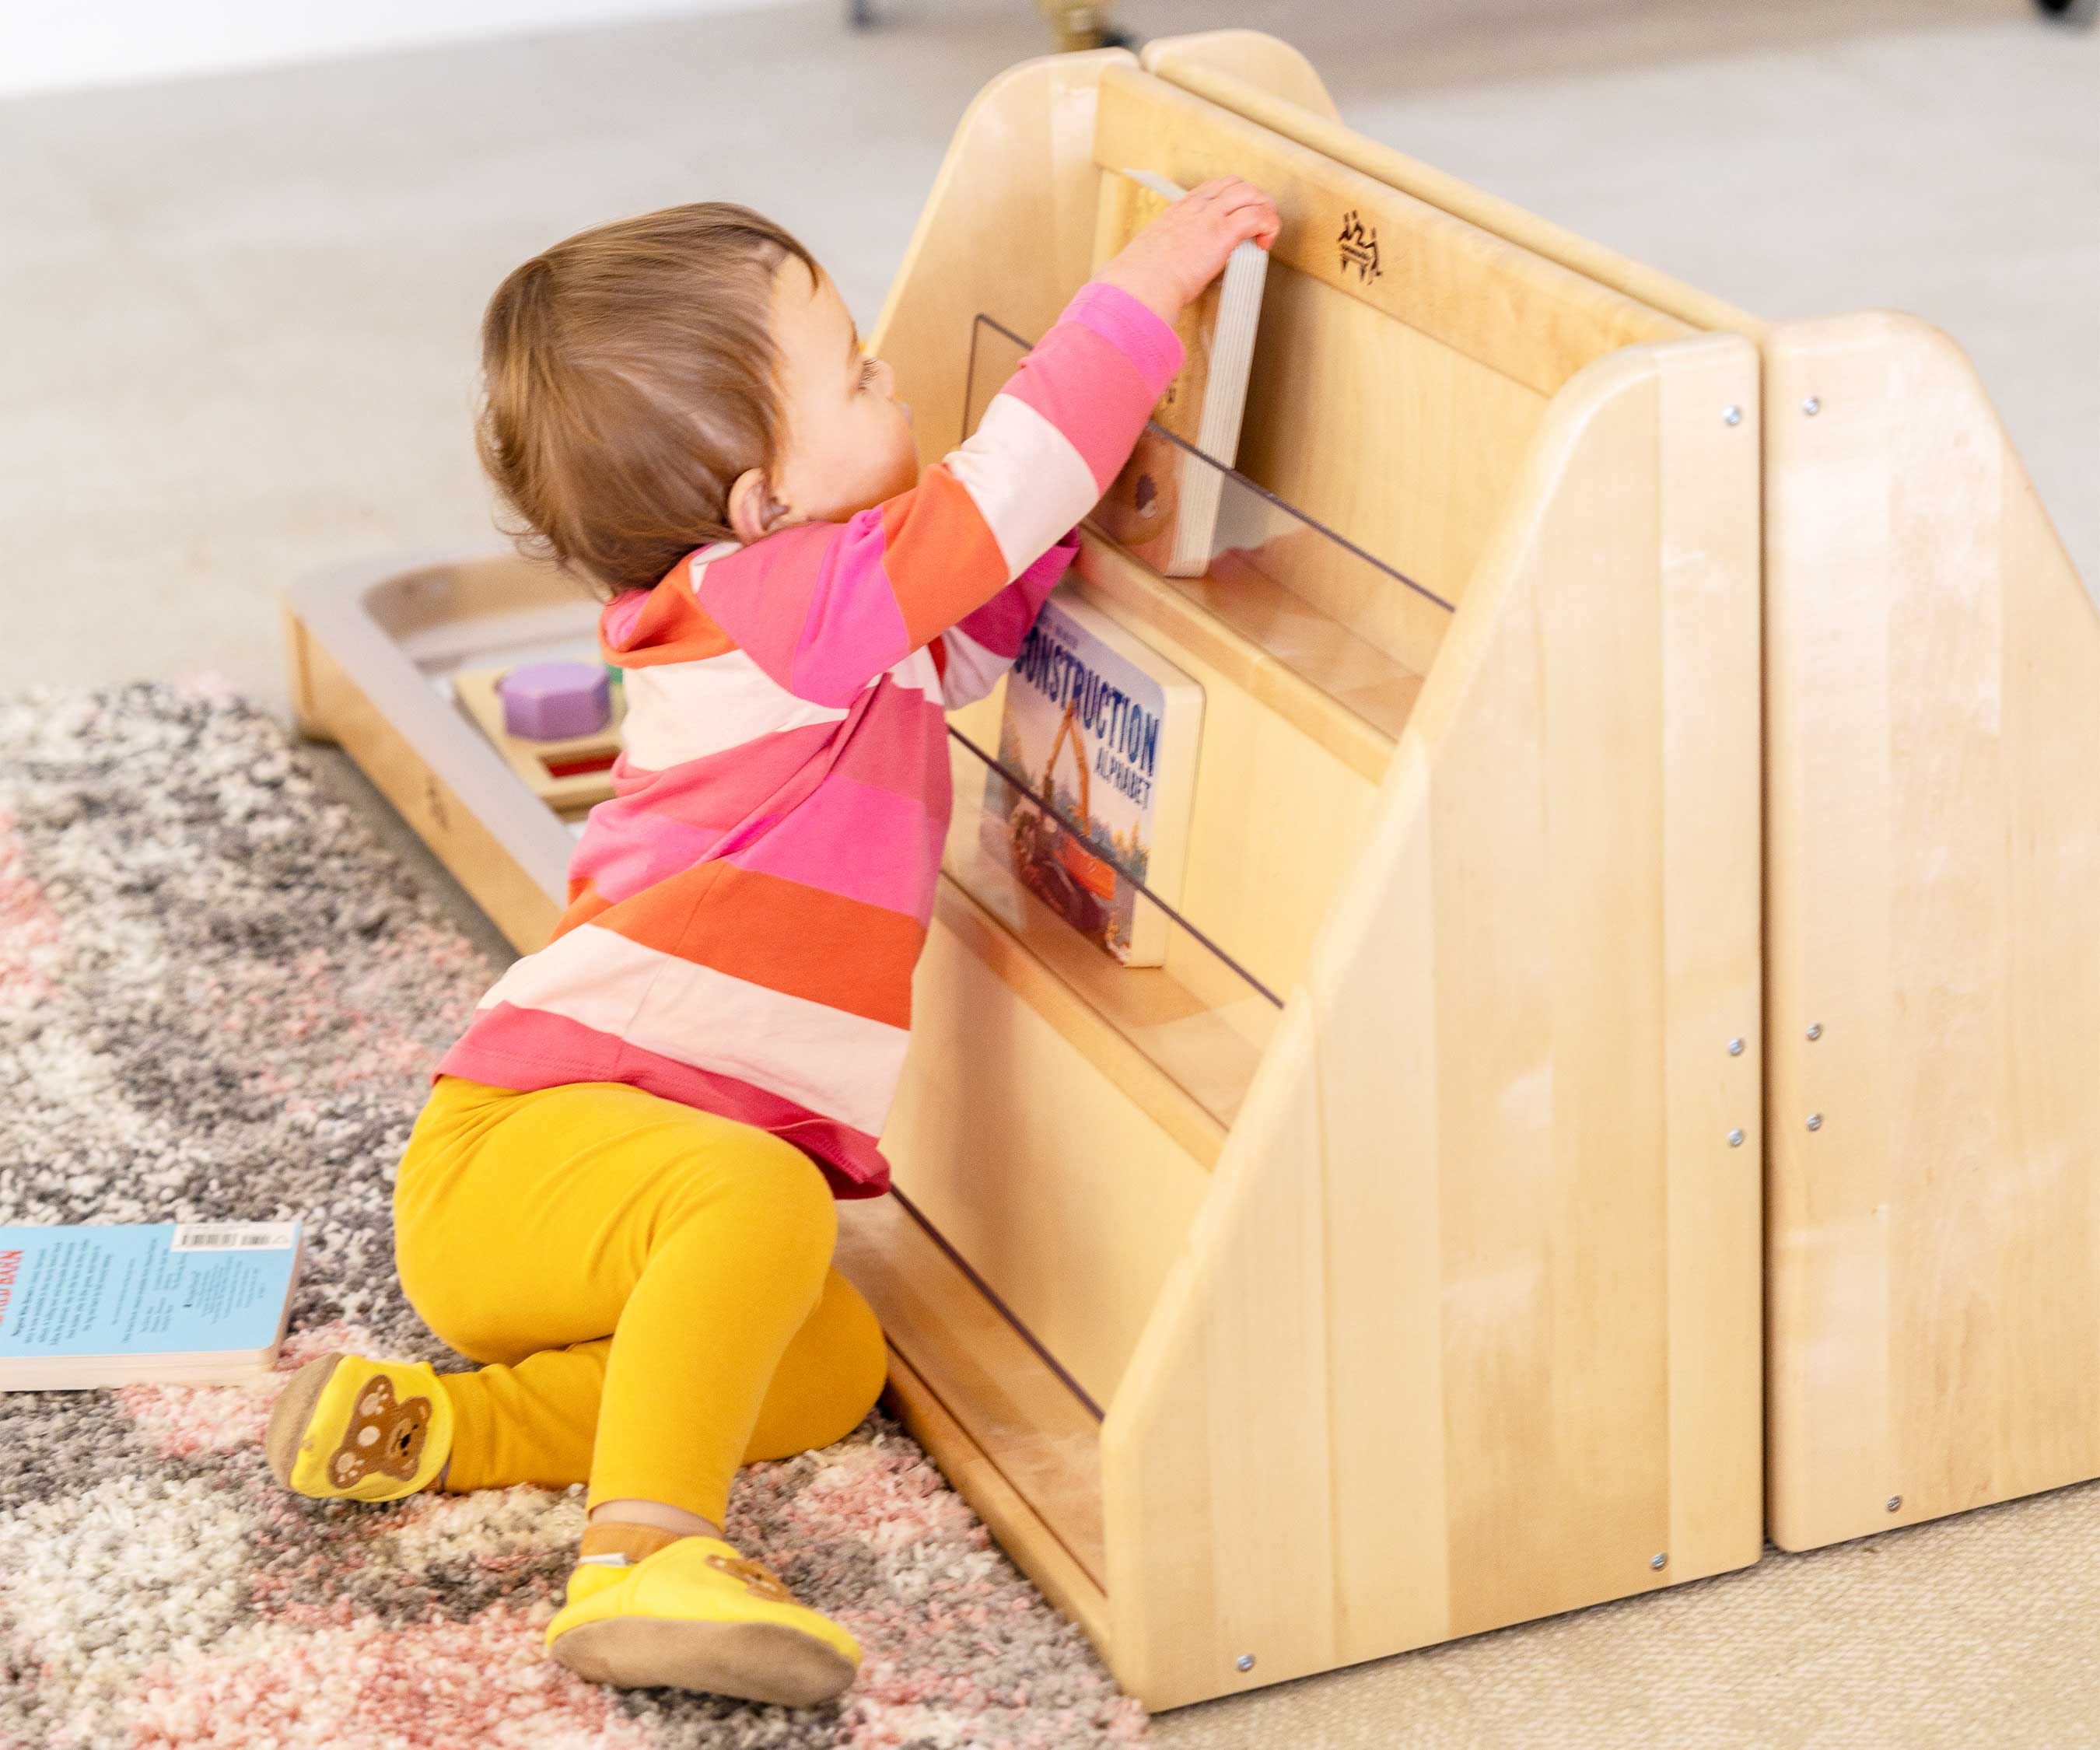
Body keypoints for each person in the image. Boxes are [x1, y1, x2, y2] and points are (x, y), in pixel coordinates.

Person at [262, 179, 1278, 1708]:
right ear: (762, 507)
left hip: (595, 1197)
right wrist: (1134, 296)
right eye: (860, 372)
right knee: (754, 1201)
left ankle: (449, 1432)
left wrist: (1101, 503)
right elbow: (995, 496)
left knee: (820, 1358)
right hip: (514, 1163)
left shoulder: (820, 629)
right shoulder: (762, 606)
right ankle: (647, 1551)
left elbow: (978, 623)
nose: (896, 382)